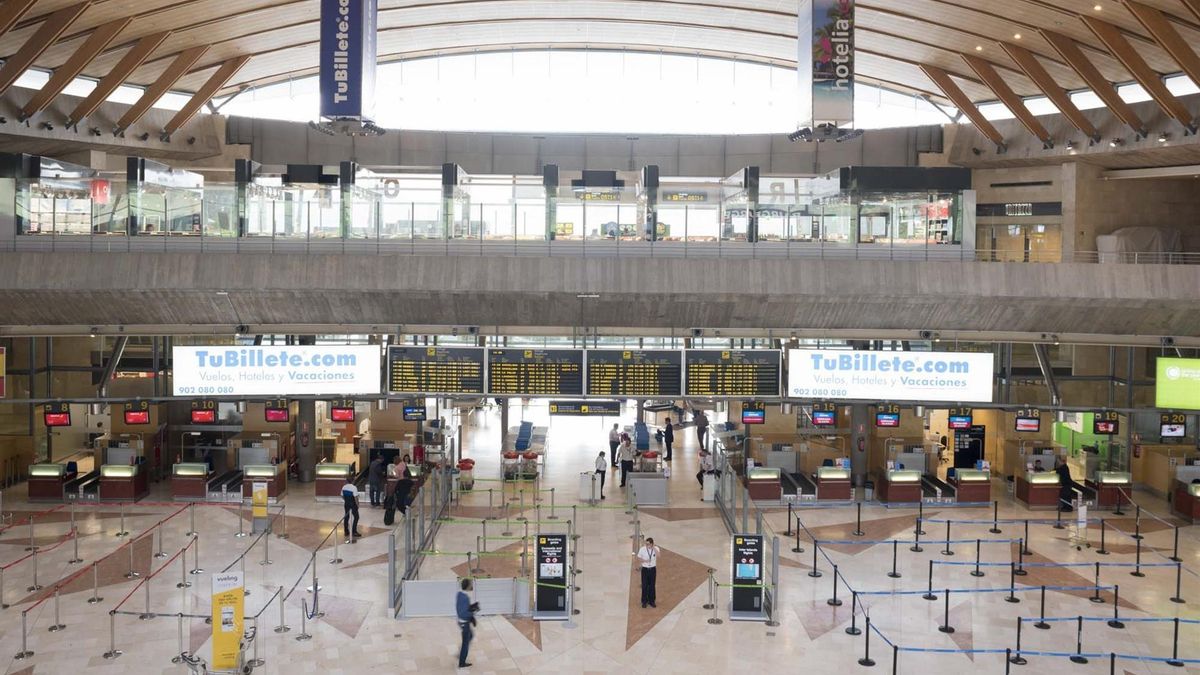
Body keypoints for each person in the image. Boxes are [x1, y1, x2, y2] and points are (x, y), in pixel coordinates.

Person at [455, 578, 479, 668]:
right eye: (470, 584)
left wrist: (472, 607)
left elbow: (462, 608)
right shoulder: (465, 598)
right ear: (468, 587)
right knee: (466, 642)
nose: (472, 586)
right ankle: (462, 662)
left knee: (470, 636)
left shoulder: (460, 594)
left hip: (461, 622)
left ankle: (461, 654)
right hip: (464, 624)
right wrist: (473, 611)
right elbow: (463, 613)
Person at [636, 537, 660, 608]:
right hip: (645, 570)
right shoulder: (642, 549)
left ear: (652, 544)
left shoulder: (656, 548)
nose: (647, 545)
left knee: (652, 586)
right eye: (646, 544)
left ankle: (652, 601)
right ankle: (644, 601)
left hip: (652, 569)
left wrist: (654, 548)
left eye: (648, 544)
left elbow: (659, 556)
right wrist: (644, 560)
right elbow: (638, 557)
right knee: (644, 585)